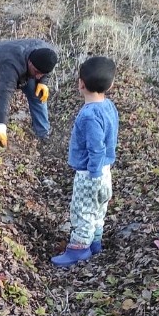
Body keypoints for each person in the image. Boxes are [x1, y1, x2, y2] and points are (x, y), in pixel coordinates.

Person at [51, 56, 119, 268]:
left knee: (83, 211)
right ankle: (95, 243)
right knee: (98, 210)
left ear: (80, 83)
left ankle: (78, 249)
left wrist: (94, 175)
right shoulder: (109, 106)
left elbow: (96, 148)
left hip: (90, 174)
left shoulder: (89, 115)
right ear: (111, 85)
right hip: (105, 171)